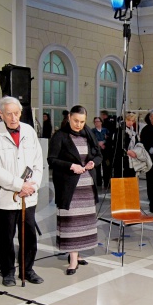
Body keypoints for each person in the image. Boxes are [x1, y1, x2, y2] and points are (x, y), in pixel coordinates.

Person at [0, 96, 44, 287]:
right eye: (8, 114)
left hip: (29, 196)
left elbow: (38, 162)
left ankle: (28, 269)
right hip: (7, 196)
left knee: (29, 235)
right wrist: (19, 185)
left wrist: (32, 185)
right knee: (7, 236)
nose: (13, 117)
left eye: (16, 113)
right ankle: (8, 271)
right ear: (0, 114)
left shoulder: (29, 131)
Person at [48, 105, 102, 274]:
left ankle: (77, 254)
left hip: (87, 185)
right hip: (69, 186)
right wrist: (71, 166)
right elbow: (52, 160)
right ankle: (72, 260)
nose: (79, 125)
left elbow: (98, 154)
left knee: (84, 222)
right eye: (76, 121)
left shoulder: (89, 134)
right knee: (72, 222)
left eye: (82, 121)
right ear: (69, 117)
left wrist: (93, 163)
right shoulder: (60, 135)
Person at [92, 116, 111, 188]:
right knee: (97, 167)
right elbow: (92, 140)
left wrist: (104, 143)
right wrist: (98, 143)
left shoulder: (105, 130)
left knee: (106, 166)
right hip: (97, 151)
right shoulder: (92, 131)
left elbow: (109, 138)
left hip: (105, 151)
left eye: (98, 121)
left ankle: (107, 183)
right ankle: (98, 182)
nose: (97, 123)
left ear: (101, 122)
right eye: (95, 122)